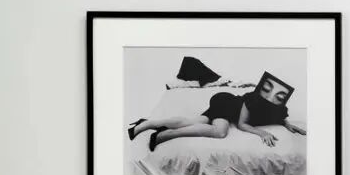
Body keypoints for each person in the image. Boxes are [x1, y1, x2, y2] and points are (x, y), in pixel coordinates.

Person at [127, 72, 306, 151]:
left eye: (279, 97)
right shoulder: (252, 99)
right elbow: (242, 124)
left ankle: (145, 124)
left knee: (195, 121)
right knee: (220, 132)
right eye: (267, 90)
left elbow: (279, 116)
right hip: (227, 102)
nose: (270, 97)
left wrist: (287, 124)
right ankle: (162, 136)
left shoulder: (278, 110)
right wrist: (262, 133)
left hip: (223, 103)